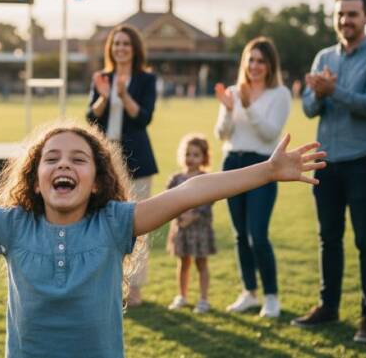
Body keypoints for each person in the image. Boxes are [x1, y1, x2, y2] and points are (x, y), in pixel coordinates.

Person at [0, 121, 324, 357]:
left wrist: (264, 171)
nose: (64, 165)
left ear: (98, 180)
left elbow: (191, 191)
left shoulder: (116, 223)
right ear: (34, 179)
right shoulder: (13, 226)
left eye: (78, 159)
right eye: (51, 159)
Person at [293, 0, 366, 342]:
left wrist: (331, 91)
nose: (345, 21)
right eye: (340, 15)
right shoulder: (323, 56)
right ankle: (328, 305)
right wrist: (319, 93)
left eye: (352, 14)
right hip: (327, 161)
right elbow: (308, 108)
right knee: (328, 238)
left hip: (364, 160)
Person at [215, 36, 291, 318]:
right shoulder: (234, 91)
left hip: (263, 164)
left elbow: (270, 134)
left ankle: (271, 296)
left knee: (257, 234)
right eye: (251, 60)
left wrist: (246, 107)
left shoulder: (279, 94)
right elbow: (221, 134)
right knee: (239, 235)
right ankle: (249, 292)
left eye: (261, 61)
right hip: (232, 162)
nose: (255, 66)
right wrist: (228, 108)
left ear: (271, 65)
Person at [87, 24, 158, 305]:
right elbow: (91, 119)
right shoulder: (102, 77)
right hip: (106, 160)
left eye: (126, 44)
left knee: (137, 224)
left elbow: (144, 118)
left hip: (138, 160)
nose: (121, 48)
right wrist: (105, 96)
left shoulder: (146, 79)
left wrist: (124, 94)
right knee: (103, 222)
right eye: (116, 44)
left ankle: (135, 288)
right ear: (110, 48)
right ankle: (108, 283)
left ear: (134, 48)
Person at [165, 134, 216, 313]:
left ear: (204, 157)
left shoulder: (206, 178)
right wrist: (179, 216)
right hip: (182, 230)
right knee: (183, 263)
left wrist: (193, 215)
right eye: (187, 154)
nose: (190, 159)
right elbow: (168, 199)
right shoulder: (175, 179)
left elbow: (209, 200)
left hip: (199, 229)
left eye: (195, 155)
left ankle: (203, 299)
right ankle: (182, 296)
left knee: (201, 263)